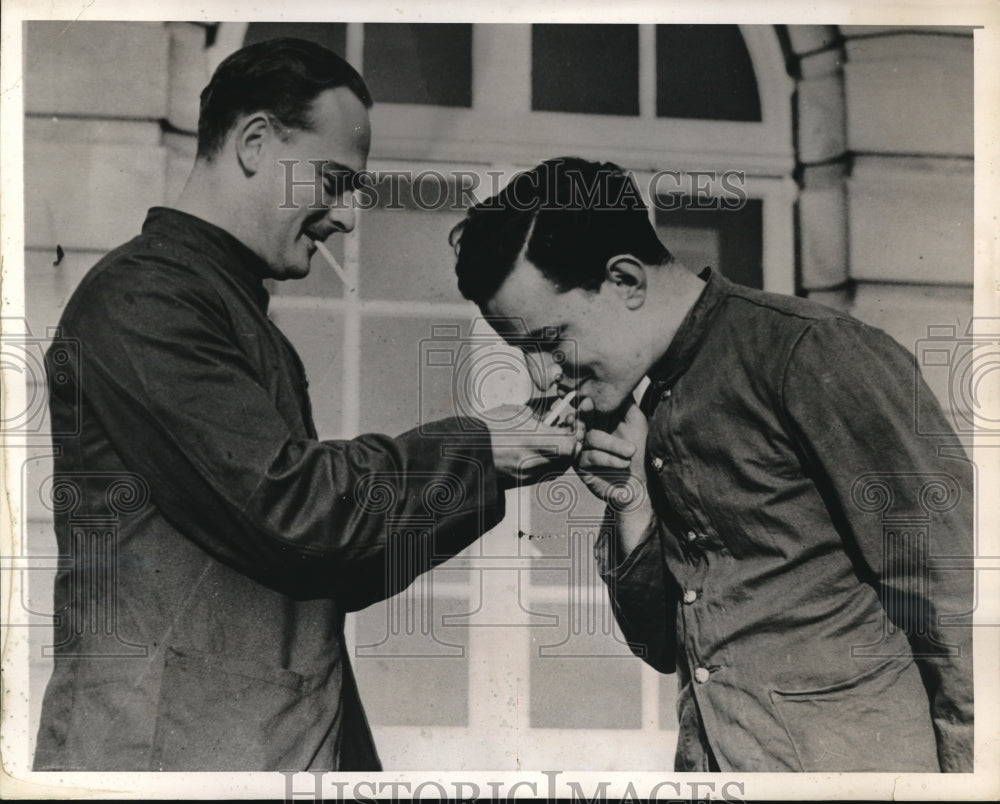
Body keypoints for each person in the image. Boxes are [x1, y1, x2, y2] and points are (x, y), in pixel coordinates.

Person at [33, 40, 580, 772]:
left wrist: (503, 467)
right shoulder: (147, 300)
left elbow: (334, 567)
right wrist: (482, 449)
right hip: (168, 764)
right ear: (255, 142)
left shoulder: (222, 309)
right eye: (334, 181)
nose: (348, 218)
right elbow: (293, 507)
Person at [449, 156, 974, 772]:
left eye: (548, 340)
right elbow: (665, 647)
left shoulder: (810, 352)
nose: (545, 376)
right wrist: (631, 503)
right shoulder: (648, 407)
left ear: (625, 281)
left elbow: (963, 602)